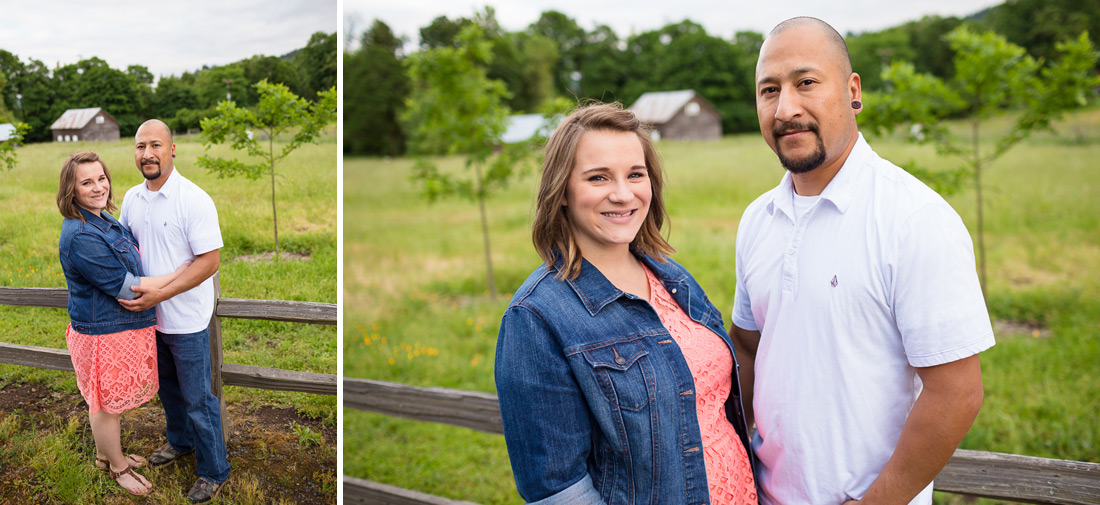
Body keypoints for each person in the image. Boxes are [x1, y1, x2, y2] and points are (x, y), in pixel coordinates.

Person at [730, 17, 995, 505]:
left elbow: (957, 392)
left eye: (805, 82)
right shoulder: (758, 219)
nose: (785, 108)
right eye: (769, 90)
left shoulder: (914, 218)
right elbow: (747, 346)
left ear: (853, 90)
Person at [495, 102, 757, 504]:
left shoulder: (673, 277)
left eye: (635, 174)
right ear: (562, 190)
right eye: (598, 177)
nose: (622, 194)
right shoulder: (536, 317)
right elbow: (557, 489)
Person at [57, 151, 190, 496]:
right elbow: (127, 287)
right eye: (86, 182)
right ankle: (118, 468)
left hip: (112, 330)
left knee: (105, 402)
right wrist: (182, 275)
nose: (98, 187)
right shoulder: (81, 235)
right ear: (71, 191)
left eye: (101, 178)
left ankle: (106, 456)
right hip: (102, 332)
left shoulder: (102, 219)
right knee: (105, 405)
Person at [117, 119, 230, 503]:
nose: (147, 154)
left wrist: (159, 293)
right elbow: (125, 250)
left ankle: (214, 470)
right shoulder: (132, 198)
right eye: (139, 147)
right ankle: (179, 443)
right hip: (148, 318)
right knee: (168, 392)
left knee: (198, 399)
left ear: (172, 149)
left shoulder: (193, 199)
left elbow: (208, 262)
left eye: (155, 145)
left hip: (186, 319)